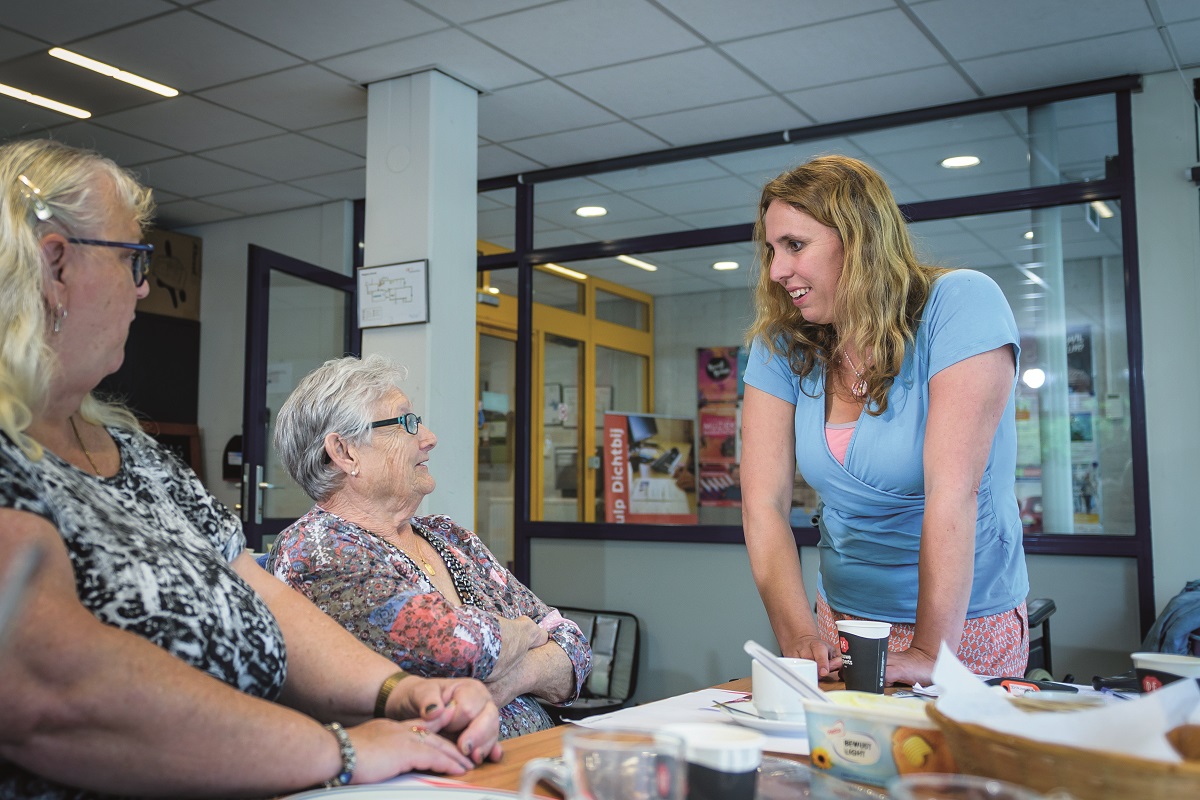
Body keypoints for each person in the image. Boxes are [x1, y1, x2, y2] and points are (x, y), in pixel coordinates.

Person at [0, 139, 502, 800]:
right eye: (133, 259)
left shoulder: (142, 459)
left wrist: (397, 691)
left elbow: (260, 597)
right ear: (56, 263)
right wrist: (342, 748)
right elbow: (50, 689)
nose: (145, 285)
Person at [740, 155, 1029, 687]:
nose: (778, 270)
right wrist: (799, 635)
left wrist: (928, 650)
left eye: (795, 246)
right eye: (771, 250)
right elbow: (763, 505)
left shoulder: (960, 304)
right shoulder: (782, 345)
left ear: (859, 240)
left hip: (960, 623)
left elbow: (954, 491)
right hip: (844, 617)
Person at [266, 355, 592, 740]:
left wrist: (516, 676)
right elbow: (461, 650)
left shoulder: (450, 536)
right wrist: (531, 633)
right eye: (406, 422)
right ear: (345, 452)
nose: (429, 437)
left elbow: (575, 646)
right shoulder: (317, 549)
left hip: (530, 761)